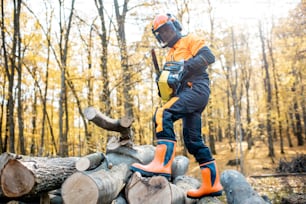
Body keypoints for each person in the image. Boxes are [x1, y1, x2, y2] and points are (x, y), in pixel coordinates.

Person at [130, 13, 223, 198]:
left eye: (167, 29)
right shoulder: (170, 55)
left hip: (197, 88)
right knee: (193, 141)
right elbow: (170, 91)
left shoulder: (190, 39)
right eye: (161, 33)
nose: (165, 34)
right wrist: (162, 83)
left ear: (176, 26)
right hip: (186, 93)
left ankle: (162, 164)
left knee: (162, 114)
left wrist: (184, 67)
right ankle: (212, 184)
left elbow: (208, 56)